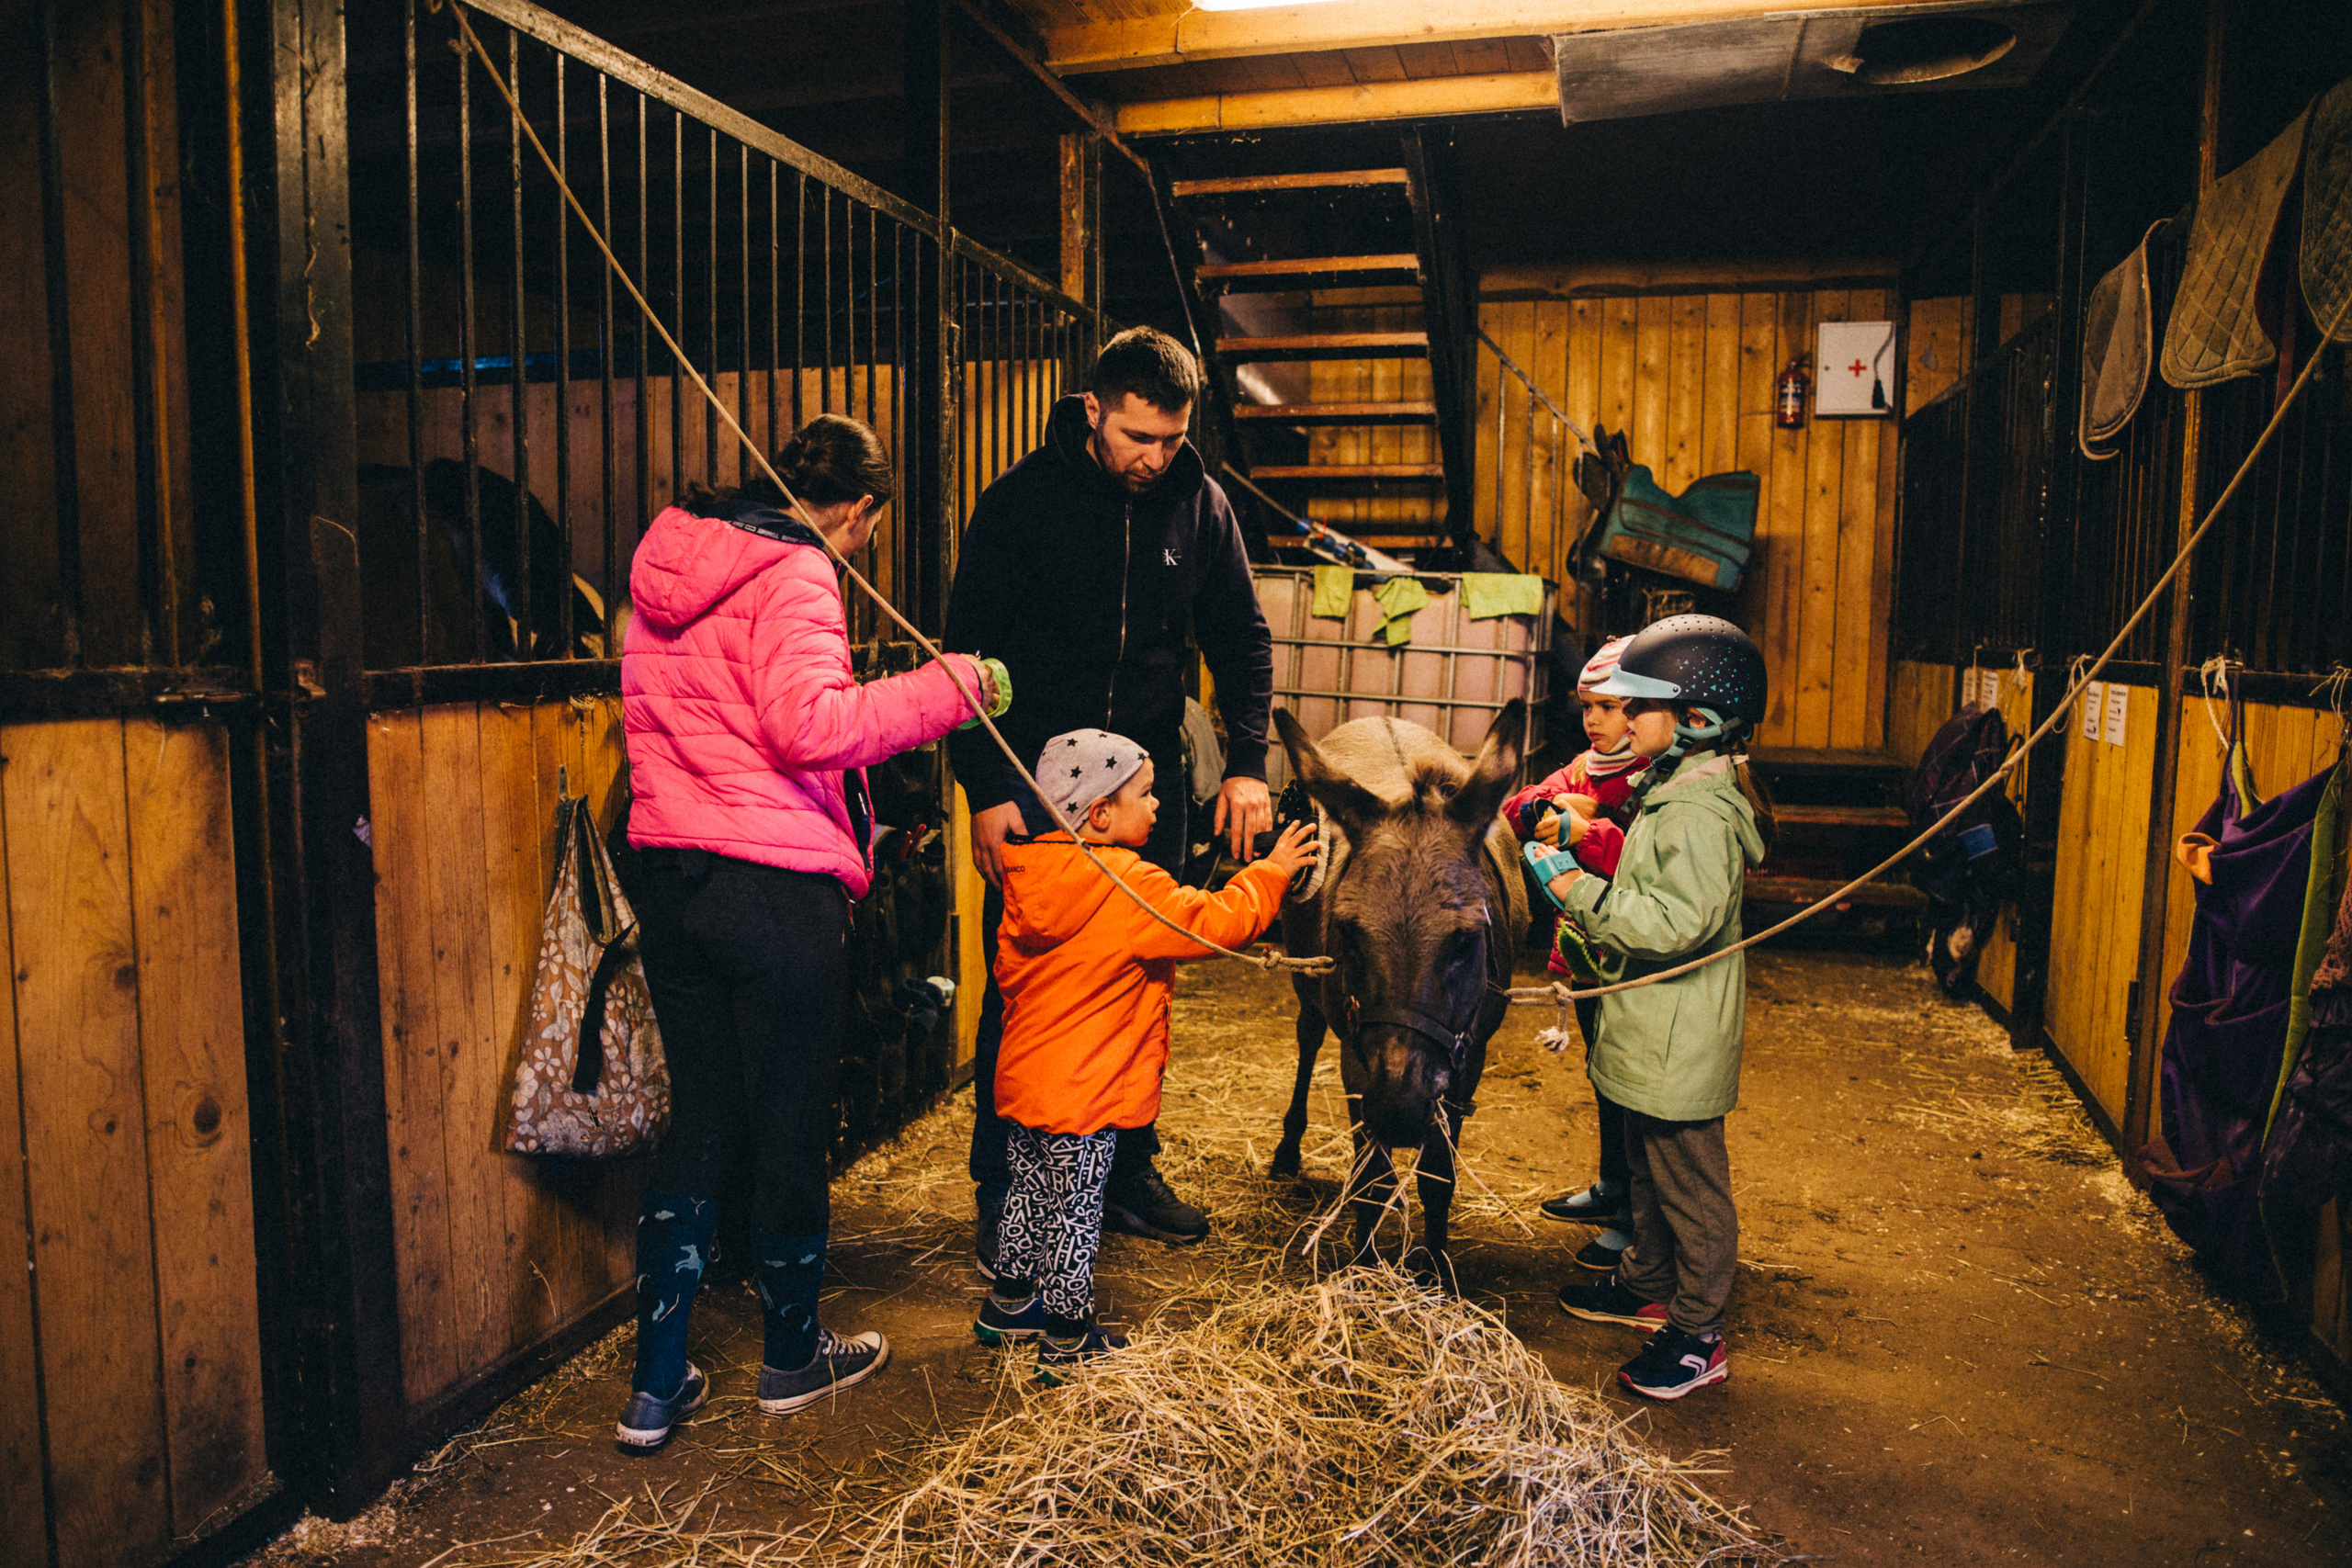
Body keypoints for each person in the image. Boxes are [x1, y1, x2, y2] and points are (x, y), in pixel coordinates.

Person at [613, 415, 1009, 1451]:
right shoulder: (797, 569)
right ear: (863, 510)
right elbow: (810, 729)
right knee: (789, 1121)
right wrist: (954, 688)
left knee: (699, 1117)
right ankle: (791, 1358)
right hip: (771, 884)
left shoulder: (672, 557)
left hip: (671, 871)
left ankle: (656, 1385)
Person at [944, 326, 1274, 1268]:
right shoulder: (1019, 505)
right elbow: (967, 654)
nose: (1153, 458)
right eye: (1138, 437)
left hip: (1142, 794)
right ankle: (1004, 1189)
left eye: (1170, 439)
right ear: (1093, 410)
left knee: (1139, 978)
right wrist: (985, 788)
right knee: (1029, 991)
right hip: (1037, 794)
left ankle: (1124, 1171)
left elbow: (1240, 637)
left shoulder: (1198, 504)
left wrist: (1246, 763)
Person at [969, 730, 1316, 1376]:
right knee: (1077, 1214)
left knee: (1027, 1195)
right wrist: (1272, 872)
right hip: (1085, 1090)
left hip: (1023, 1083)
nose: (1158, 806)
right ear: (1099, 813)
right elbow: (1213, 921)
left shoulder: (1030, 874)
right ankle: (1069, 1336)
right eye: (1146, 793)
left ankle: (1010, 1302)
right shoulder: (1127, 884)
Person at [1540, 615, 1774, 1401]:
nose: (1623, 720)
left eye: (1638, 707)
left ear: (1698, 719)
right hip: (1651, 1028)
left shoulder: (1701, 812)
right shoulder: (1671, 787)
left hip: (1678, 1036)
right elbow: (1652, 879)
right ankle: (1646, 1281)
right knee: (1645, 1167)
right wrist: (1587, 834)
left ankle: (1697, 1333)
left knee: (1690, 1187)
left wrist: (1578, 890)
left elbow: (1677, 922)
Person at [1498, 635, 1647, 1272]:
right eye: (1588, 706)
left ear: (1639, 712)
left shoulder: (1646, 781)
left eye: (1608, 707)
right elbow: (1513, 809)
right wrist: (1549, 805)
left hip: (1633, 958)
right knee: (1603, 1073)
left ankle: (1632, 1214)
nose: (1593, 719)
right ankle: (1613, 1184)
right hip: (1586, 958)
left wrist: (1589, 829)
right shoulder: (1586, 768)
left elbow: (1638, 864)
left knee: (1633, 1084)